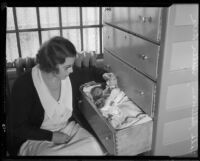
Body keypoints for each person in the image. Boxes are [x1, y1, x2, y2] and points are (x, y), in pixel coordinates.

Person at [9, 36, 109, 156]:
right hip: (36, 137)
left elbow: (90, 72)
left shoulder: (69, 74)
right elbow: (18, 127)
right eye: (67, 67)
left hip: (67, 128)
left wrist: (106, 76)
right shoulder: (24, 84)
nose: (71, 70)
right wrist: (51, 136)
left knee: (94, 148)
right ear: (51, 66)